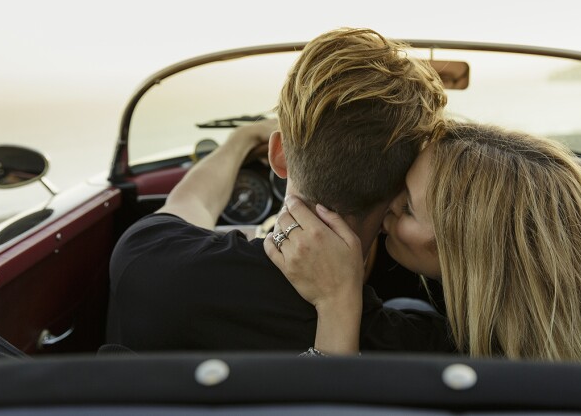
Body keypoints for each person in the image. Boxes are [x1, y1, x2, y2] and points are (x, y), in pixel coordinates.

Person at [106, 28, 454, 353]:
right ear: (399, 194)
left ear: (278, 155)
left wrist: (240, 140)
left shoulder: (145, 261)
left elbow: (191, 200)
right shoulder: (415, 345)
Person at [266, 121, 581, 368]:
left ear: (473, 251)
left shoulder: (500, 386)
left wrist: (336, 305)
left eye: (408, 208)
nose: (387, 207)